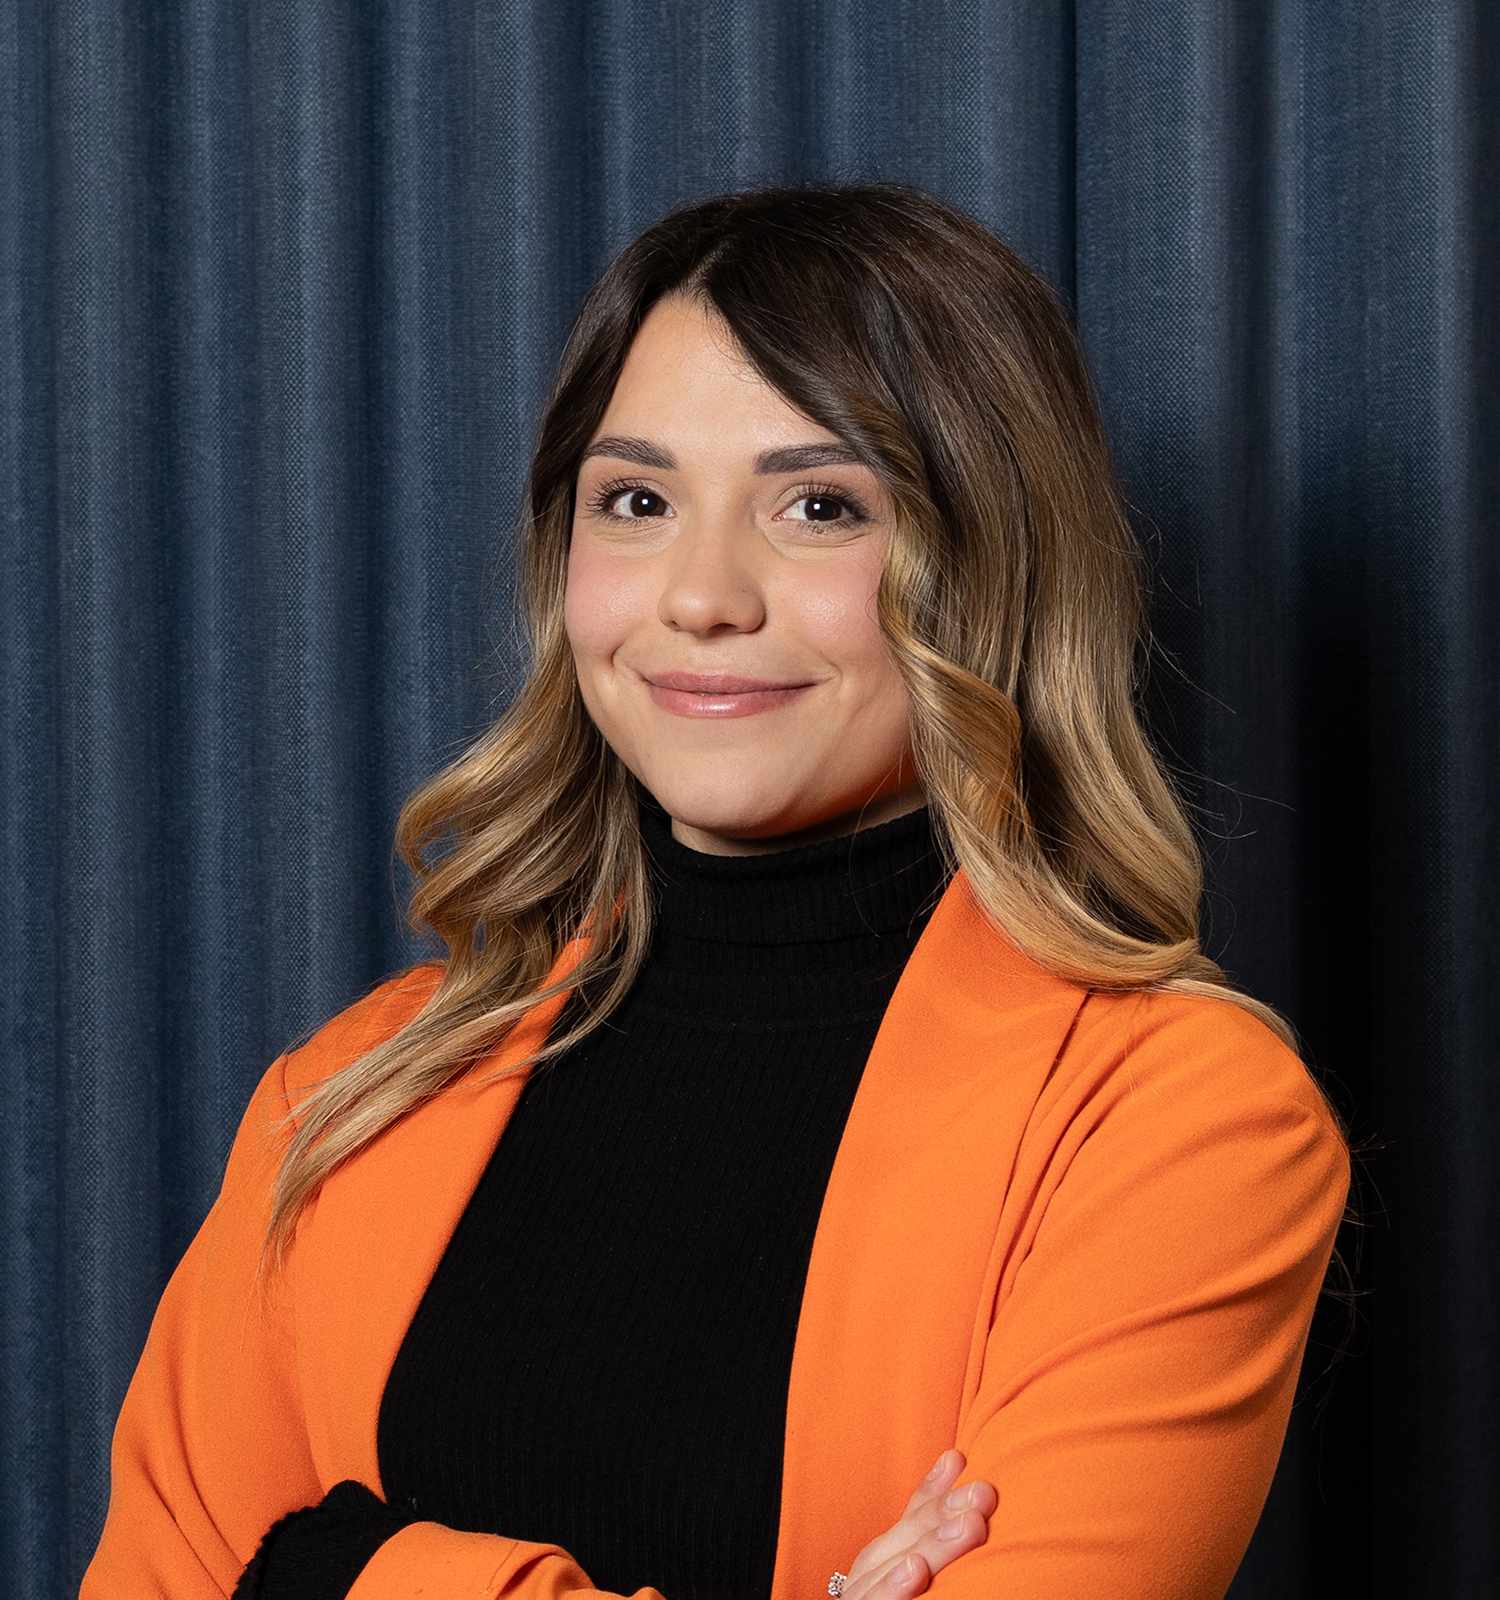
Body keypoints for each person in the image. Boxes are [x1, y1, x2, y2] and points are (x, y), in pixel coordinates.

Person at [80, 184, 1349, 1600]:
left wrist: (349, 1574)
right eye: (637, 501)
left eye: (819, 506)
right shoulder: (350, 1097)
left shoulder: (1173, 1124)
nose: (701, 595)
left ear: (995, 561)